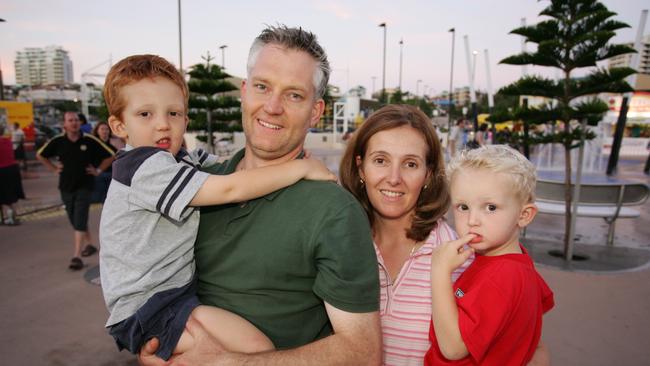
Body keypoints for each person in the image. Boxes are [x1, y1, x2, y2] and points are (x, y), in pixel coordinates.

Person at [139, 25, 381, 365]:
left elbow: (362, 353)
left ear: (316, 110)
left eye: (294, 95)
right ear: (244, 91)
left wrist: (230, 363)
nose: (272, 106)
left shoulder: (334, 211)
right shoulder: (195, 184)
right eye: (262, 86)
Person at [99, 54, 336, 361]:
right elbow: (230, 187)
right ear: (119, 125)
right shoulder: (144, 168)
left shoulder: (179, 160)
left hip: (169, 296)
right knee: (255, 349)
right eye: (145, 114)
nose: (162, 124)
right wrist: (301, 169)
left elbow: (227, 168)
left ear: (186, 120)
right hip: (147, 306)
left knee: (248, 349)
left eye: (173, 113)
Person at [339, 104, 473, 365]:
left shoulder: (459, 257)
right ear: (360, 167)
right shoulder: (337, 242)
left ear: (428, 175)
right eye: (380, 160)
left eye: (410, 164)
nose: (394, 178)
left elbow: (527, 348)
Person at [425, 145, 554, 365]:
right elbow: (533, 334)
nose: (473, 219)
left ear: (524, 215)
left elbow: (453, 348)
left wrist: (439, 271)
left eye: (491, 207)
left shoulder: (501, 275)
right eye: (463, 207)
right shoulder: (518, 265)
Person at [36, 111, 115, 270]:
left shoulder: (89, 140)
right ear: (64, 124)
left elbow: (111, 155)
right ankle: (90, 244)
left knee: (80, 215)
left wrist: (98, 170)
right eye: (70, 120)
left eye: (76, 120)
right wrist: (53, 169)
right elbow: (40, 155)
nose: (74, 123)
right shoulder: (58, 141)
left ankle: (76, 256)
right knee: (74, 218)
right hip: (65, 186)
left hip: (85, 185)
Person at [0, 124, 25, 225]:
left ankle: (6, 218)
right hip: (12, 169)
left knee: (2, 194)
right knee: (9, 195)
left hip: (1, 170)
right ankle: (12, 217)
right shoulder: (8, 141)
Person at [90, 121, 118, 203]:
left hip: (111, 176)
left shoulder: (113, 147)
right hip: (99, 176)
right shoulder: (92, 145)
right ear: (97, 131)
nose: (105, 131)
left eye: (106, 129)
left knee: (110, 201)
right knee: (102, 200)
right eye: (102, 129)